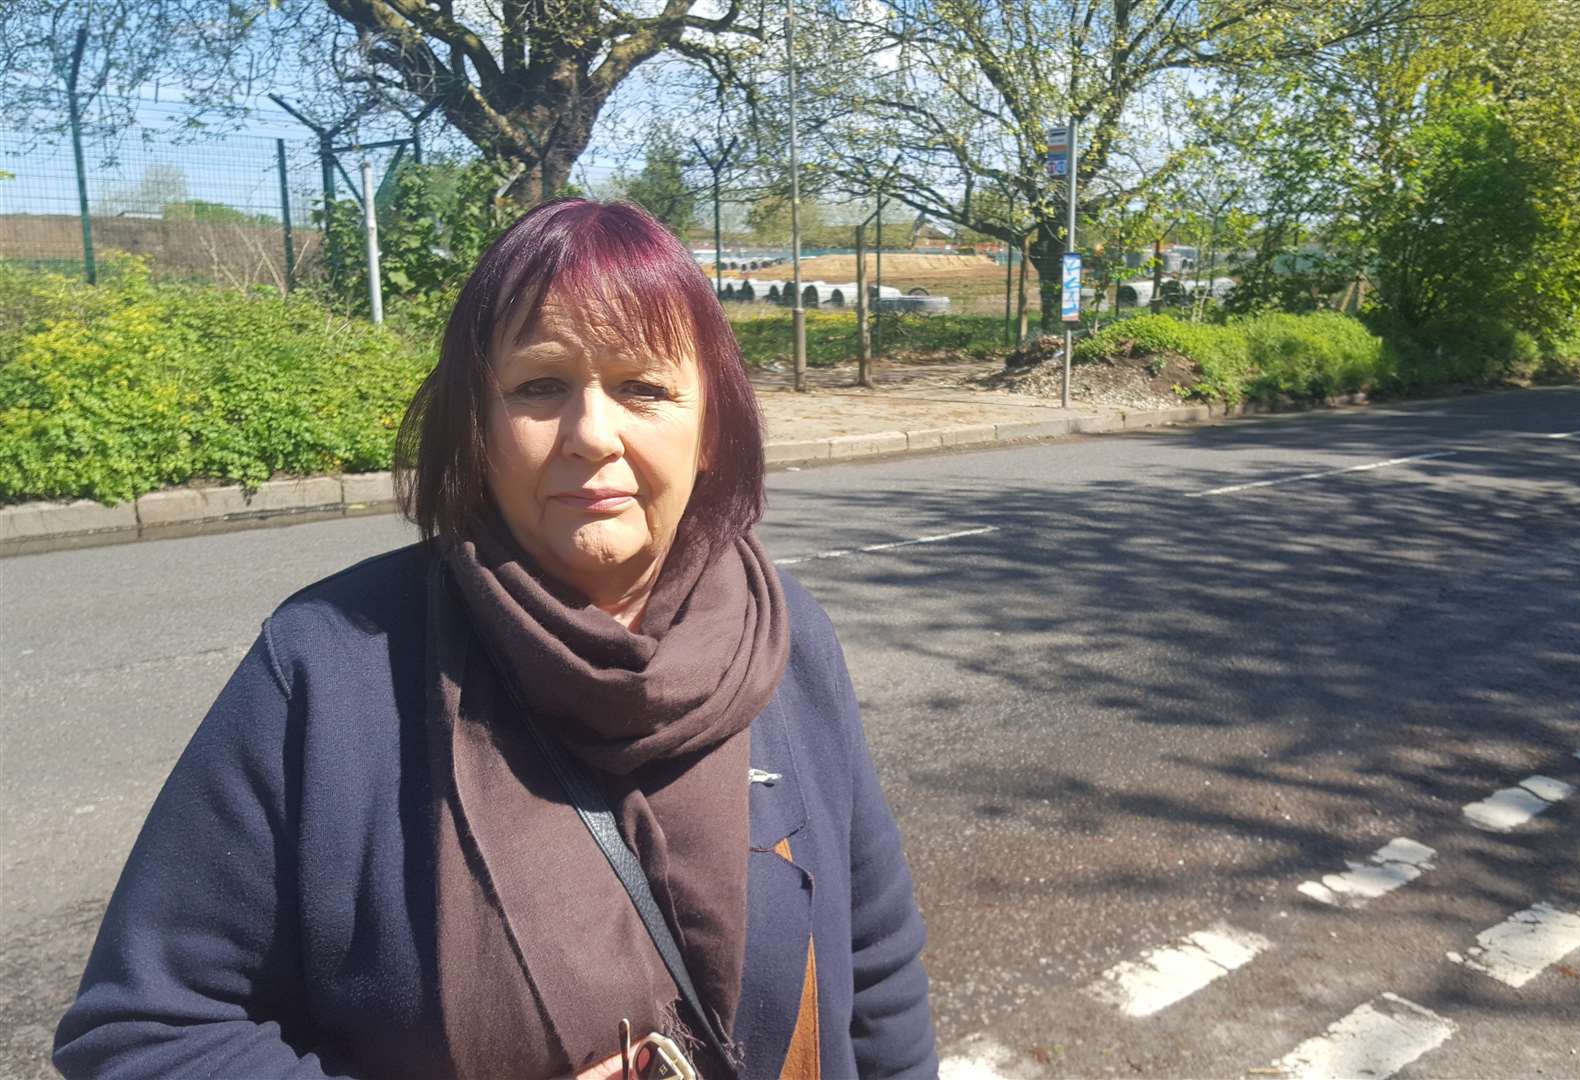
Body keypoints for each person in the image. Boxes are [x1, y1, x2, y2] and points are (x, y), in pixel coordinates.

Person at [53, 199, 938, 1080]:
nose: (593, 434)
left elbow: (876, 966)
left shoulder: (785, 640)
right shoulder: (329, 668)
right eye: (539, 386)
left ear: (709, 426)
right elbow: (145, 1033)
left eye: (644, 387)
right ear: (477, 427)